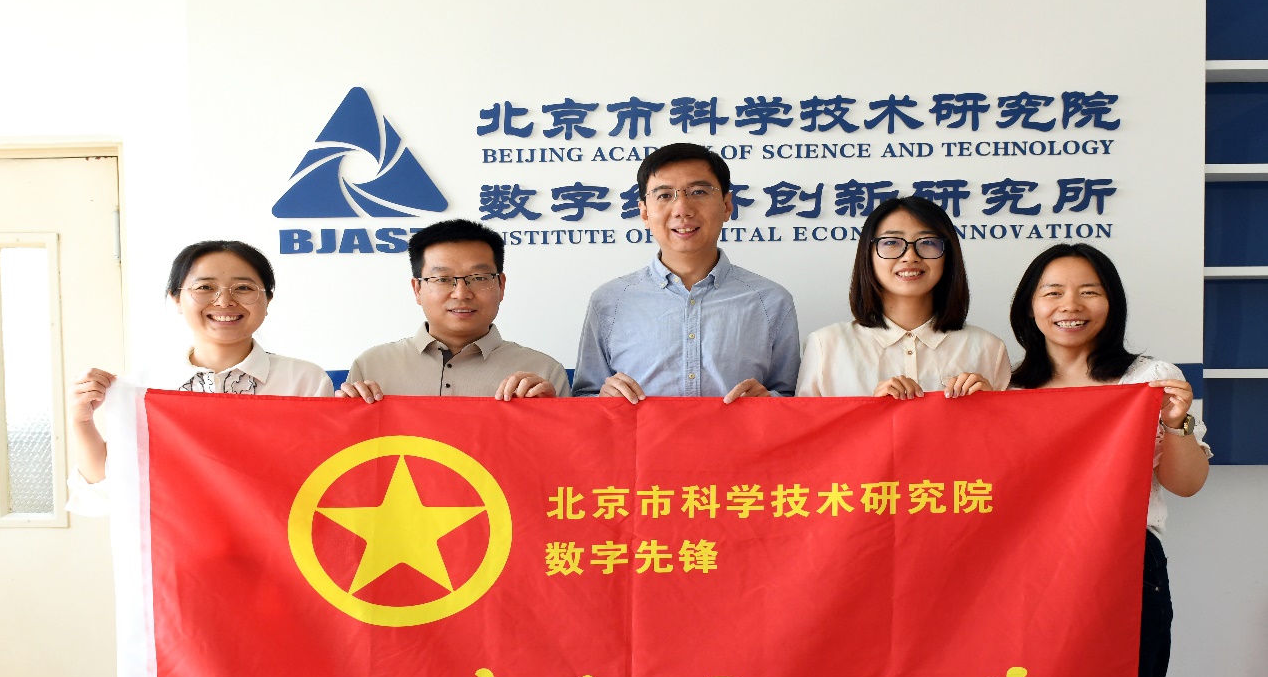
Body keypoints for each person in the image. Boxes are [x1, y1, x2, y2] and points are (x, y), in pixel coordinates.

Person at [1008, 242, 1211, 677]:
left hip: (1126, 567)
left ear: (1111, 302)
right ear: (1030, 306)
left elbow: (1187, 483)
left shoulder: (1148, 378)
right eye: (1053, 292)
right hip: (1030, 576)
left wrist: (1175, 423)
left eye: (1088, 291)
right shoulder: (1006, 386)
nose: (1070, 305)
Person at [68, 240, 333, 515]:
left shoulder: (305, 381)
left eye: (243, 288)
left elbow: (323, 483)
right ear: (176, 299)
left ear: (267, 300)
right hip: (177, 540)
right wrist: (82, 422)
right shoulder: (144, 386)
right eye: (205, 287)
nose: (224, 301)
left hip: (275, 538)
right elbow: (104, 497)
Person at [571, 143, 800, 402]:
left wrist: (771, 401)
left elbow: (795, 398)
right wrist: (601, 398)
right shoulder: (610, 301)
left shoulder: (770, 300)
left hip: (742, 432)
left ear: (727, 206)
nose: (682, 209)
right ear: (644, 213)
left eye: (698, 192)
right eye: (664, 195)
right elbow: (583, 397)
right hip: (639, 432)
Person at [796, 196, 1010, 399]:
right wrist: (869, 412)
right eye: (891, 242)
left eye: (928, 242)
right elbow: (808, 425)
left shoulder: (988, 348)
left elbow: (1008, 426)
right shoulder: (826, 345)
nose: (910, 256)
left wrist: (989, 407)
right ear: (868, 254)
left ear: (948, 255)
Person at [339, 219, 570, 402]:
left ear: (501, 285)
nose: (461, 293)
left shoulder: (543, 372)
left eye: (479, 278)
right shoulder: (371, 366)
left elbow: (562, 447)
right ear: (417, 289)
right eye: (442, 279)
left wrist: (548, 413)